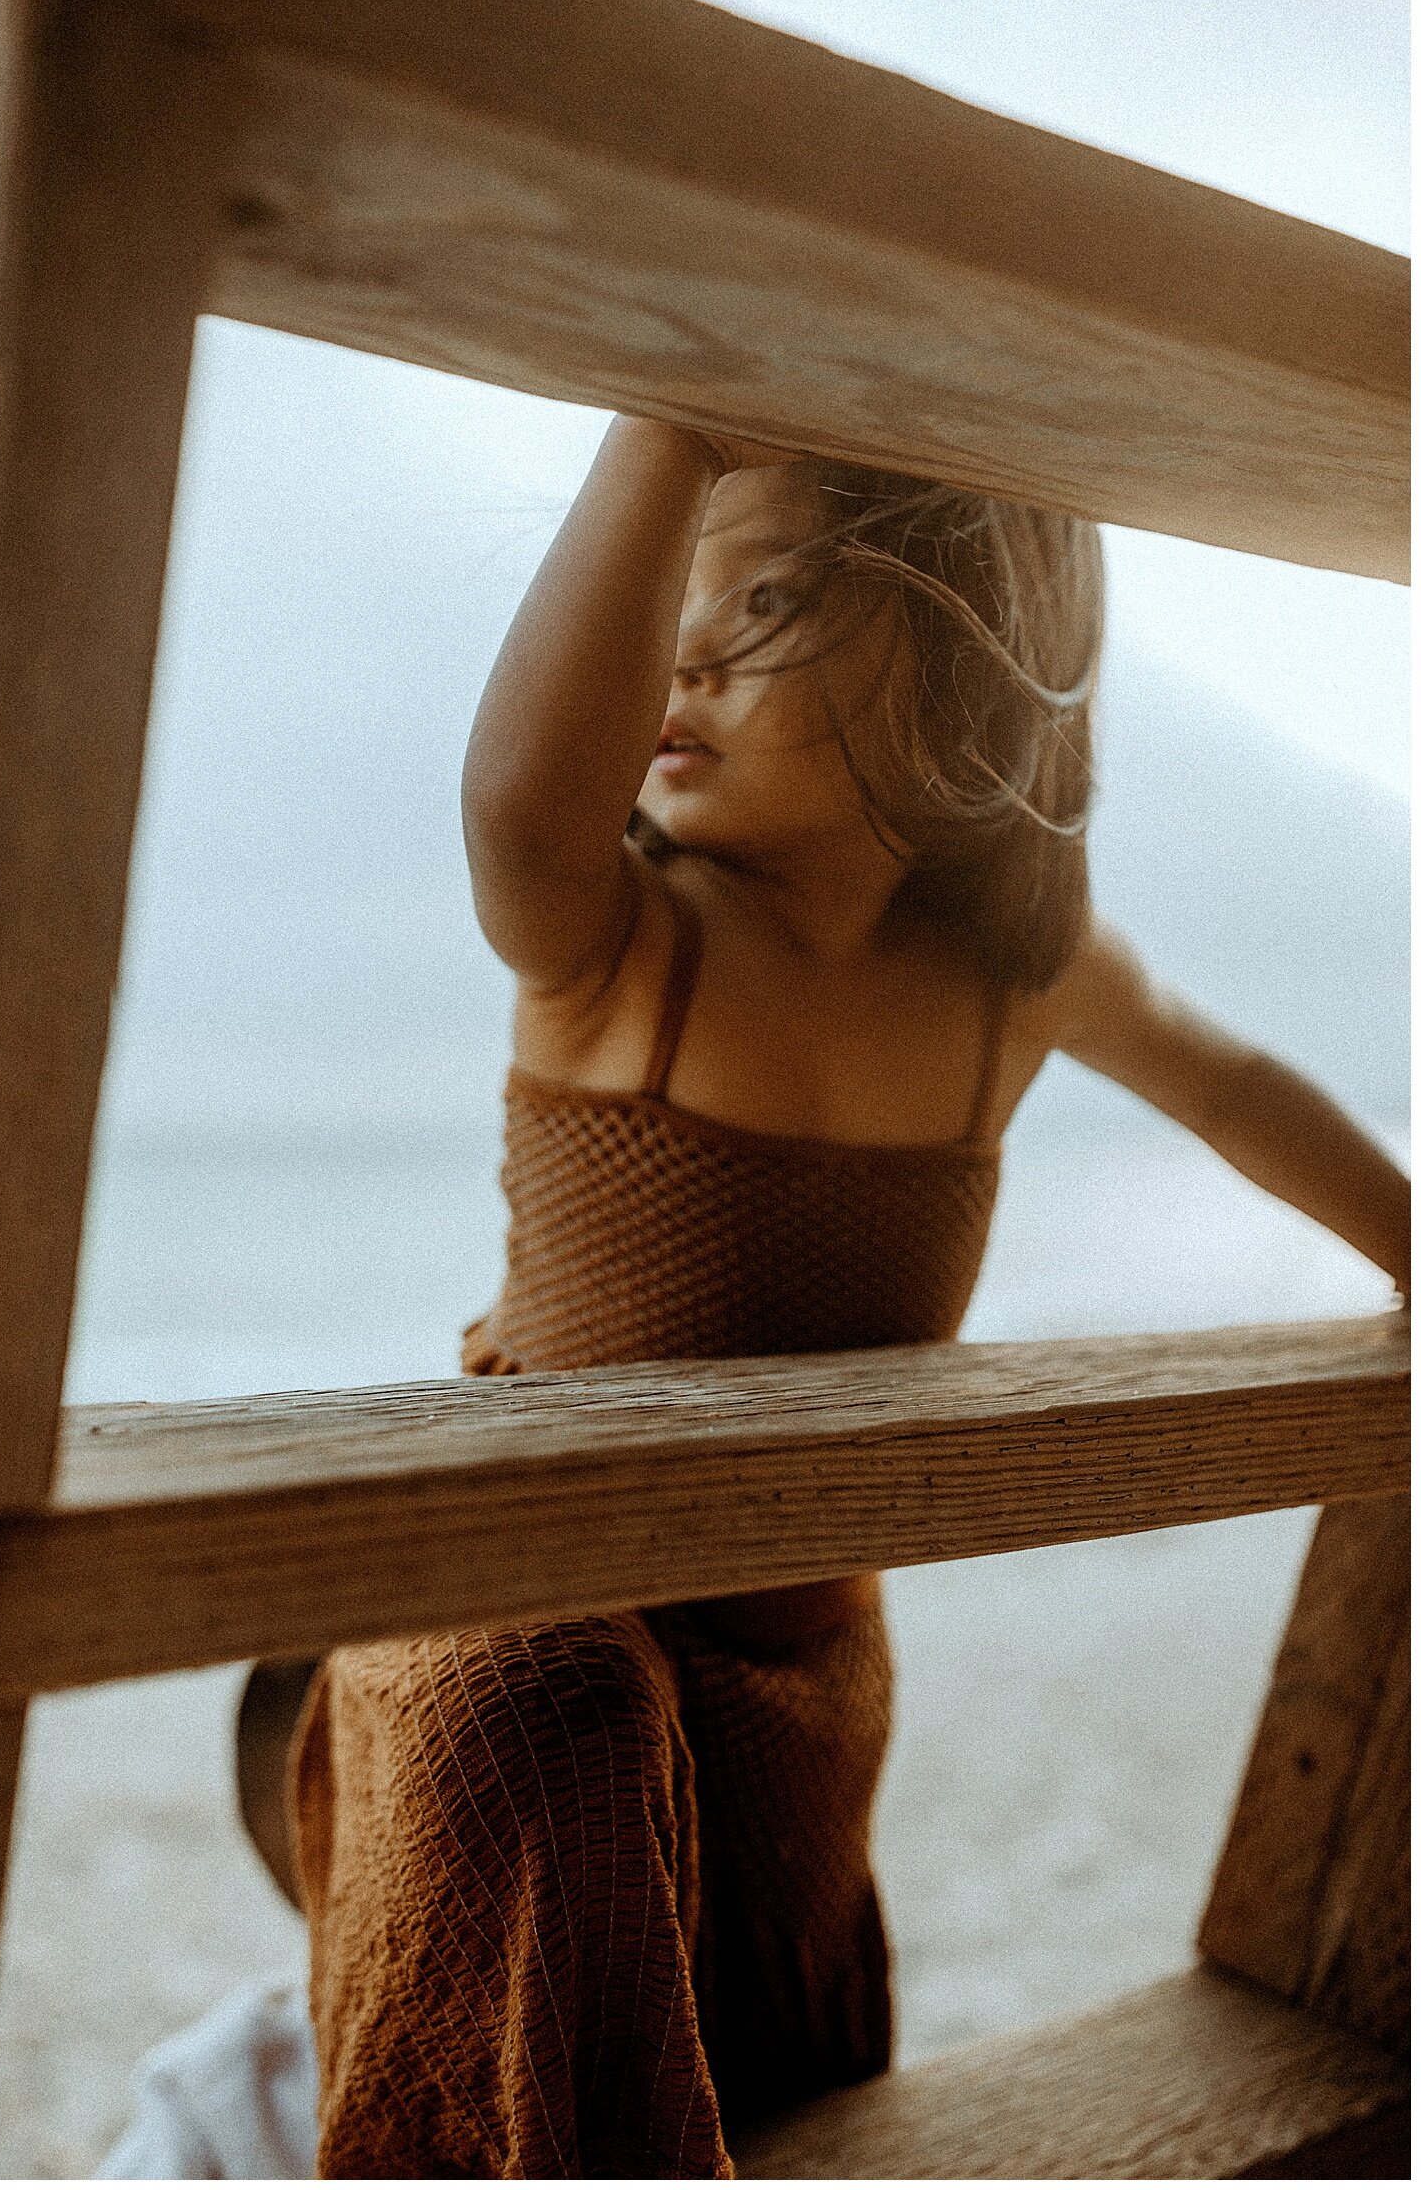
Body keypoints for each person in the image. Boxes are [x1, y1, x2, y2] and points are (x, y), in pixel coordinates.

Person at [285, 417, 1410, 2178]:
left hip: (796, 1675)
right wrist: (666, 432)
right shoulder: (623, 944)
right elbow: (516, 798)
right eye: (676, 593)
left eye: (776, 593)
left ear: (979, 649)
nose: (686, 649)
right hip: (516, 1624)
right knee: (545, 1777)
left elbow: (1239, 1086)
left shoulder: (1009, 979)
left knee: (754, 2087)